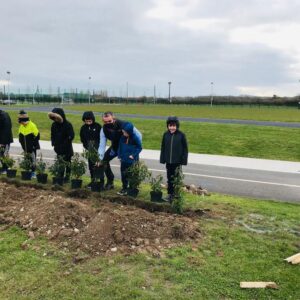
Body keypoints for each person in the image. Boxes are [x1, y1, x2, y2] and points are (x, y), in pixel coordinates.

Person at [98, 111, 142, 190]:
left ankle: (133, 186)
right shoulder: (103, 130)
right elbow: (102, 145)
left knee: (133, 165)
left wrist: (133, 150)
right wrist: (99, 158)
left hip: (127, 149)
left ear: (113, 118)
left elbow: (139, 136)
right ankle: (110, 181)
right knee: (104, 161)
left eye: (109, 121)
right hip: (115, 148)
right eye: (105, 122)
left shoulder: (124, 124)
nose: (107, 123)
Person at [160, 116, 188, 202]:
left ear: (177, 126)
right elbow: (163, 147)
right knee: (169, 178)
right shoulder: (165, 135)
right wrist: (163, 158)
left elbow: (185, 149)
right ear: (168, 126)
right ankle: (170, 194)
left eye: (174, 126)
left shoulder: (181, 135)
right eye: (170, 126)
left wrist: (183, 160)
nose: (172, 127)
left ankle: (177, 194)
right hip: (169, 161)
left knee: (177, 178)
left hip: (177, 161)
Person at [48, 108, 74, 182]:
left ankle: (67, 177)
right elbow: (52, 135)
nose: (55, 119)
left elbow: (71, 136)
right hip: (58, 148)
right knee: (60, 162)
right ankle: (60, 176)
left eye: (56, 117)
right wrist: (53, 144)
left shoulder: (68, 125)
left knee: (68, 163)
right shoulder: (54, 125)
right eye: (54, 118)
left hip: (67, 148)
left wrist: (65, 144)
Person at [117, 122, 142, 195]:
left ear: (130, 132)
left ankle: (132, 188)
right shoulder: (122, 137)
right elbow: (120, 147)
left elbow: (139, 147)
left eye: (125, 132)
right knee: (124, 174)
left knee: (132, 175)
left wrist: (133, 155)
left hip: (132, 161)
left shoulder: (135, 138)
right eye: (123, 132)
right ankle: (124, 188)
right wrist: (119, 155)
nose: (124, 134)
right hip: (124, 160)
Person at [80, 111, 102, 187]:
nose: (88, 123)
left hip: (98, 150)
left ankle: (100, 182)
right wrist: (87, 147)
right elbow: (82, 139)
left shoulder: (98, 126)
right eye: (86, 121)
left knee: (99, 166)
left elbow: (101, 138)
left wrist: (97, 147)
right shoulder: (83, 128)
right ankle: (93, 181)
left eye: (90, 121)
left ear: (93, 119)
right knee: (91, 166)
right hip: (89, 150)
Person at [18, 110, 40, 177]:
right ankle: (27, 171)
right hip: (25, 148)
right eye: (20, 122)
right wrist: (23, 146)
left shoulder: (32, 125)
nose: (21, 123)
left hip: (32, 148)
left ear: (25, 121)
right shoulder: (21, 127)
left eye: (22, 122)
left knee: (33, 160)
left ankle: (33, 172)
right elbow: (20, 138)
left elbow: (37, 136)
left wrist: (33, 146)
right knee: (27, 159)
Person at [0, 109, 13, 174]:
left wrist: (2, 142)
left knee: (3, 154)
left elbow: (7, 129)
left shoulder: (4, 116)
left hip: (5, 140)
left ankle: (5, 168)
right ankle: (4, 168)